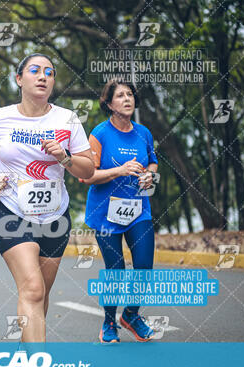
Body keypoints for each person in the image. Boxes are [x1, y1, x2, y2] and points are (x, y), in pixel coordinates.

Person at [0, 53, 94, 367]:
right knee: (33, 289)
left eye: (49, 72)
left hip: (55, 216)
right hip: (9, 211)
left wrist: (64, 157)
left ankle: (26, 358)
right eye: (34, 71)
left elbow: (87, 171)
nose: (43, 77)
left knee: (40, 295)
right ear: (19, 79)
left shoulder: (68, 119)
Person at [81, 79, 158, 343]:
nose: (127, 99)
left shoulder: (143, 133)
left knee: (145, 266)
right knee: (115, 269)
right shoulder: (99, 134)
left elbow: (153, 162)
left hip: (138, 210)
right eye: (120, 95)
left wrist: (149, 176)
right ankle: (109, 322)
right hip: (105, 213)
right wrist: (120, 170)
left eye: (130, 95)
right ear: (109, 103)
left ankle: (131, 315)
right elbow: (87, 176)